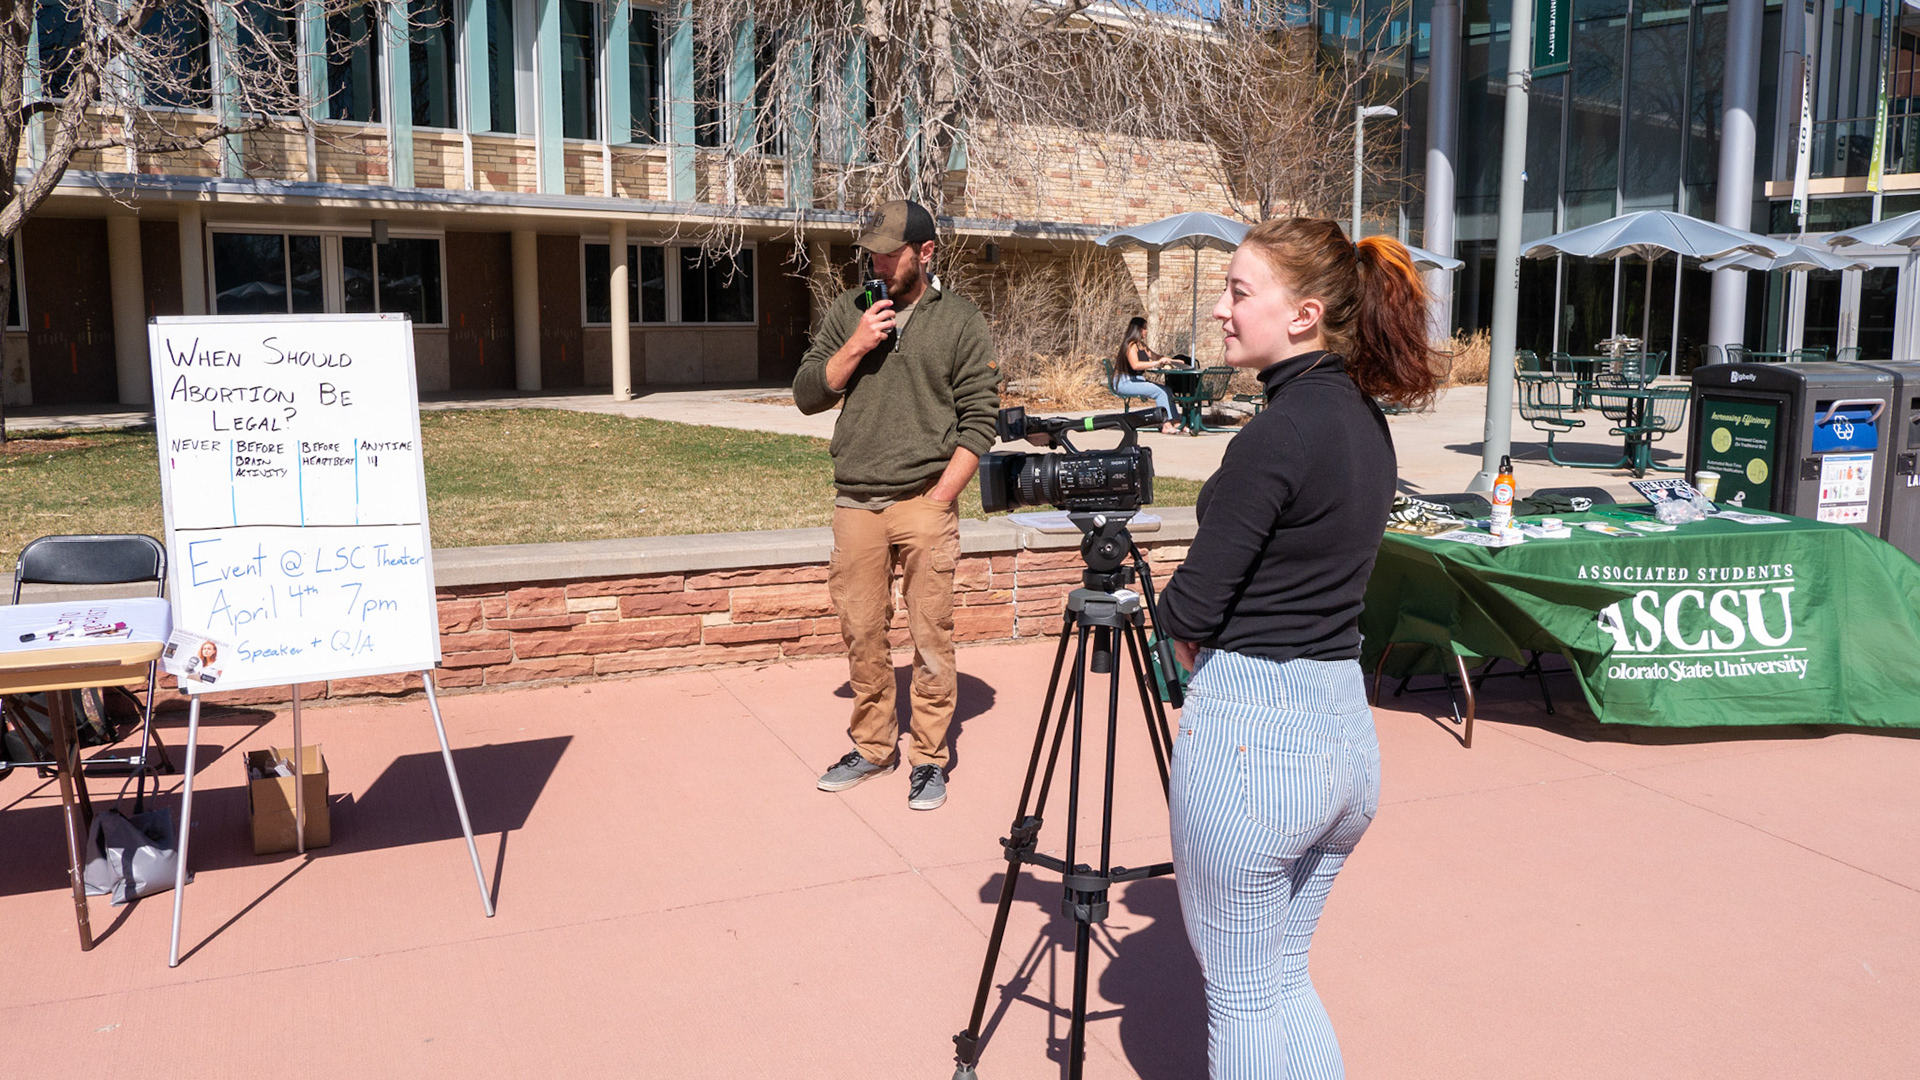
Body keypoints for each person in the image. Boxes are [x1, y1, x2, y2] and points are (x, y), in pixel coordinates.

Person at [1155, 218, 1442, 1079]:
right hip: (1342, 736)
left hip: (1258, 738)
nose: (1220, 311)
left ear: (1306, 314)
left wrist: (1149, 602)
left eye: (1239, 293)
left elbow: (1193, 607)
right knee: (1281, 980)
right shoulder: (1363, 422)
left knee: (1243, 1000)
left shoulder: (1276, 434)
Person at [792, 199, 1000, 811]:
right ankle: (874, 748)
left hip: (922, 502)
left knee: (930, 636)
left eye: (890, 252)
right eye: (873, 252)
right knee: (861, 631)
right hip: (856, 502)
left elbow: (979, 420)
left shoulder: (960, 321)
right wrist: (856, 345)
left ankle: (929, 758)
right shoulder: (851, 312)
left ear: (925, 253)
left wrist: (941, 498)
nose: (878, 263)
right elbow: (807, 394)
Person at [1113, 317, 1185, 434]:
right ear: (1138, 329)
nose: (1146, 331)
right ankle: (1166, 425)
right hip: (1124, 382)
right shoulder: (1130, 345)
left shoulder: (1141, 345)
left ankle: (1176, 422)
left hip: (1135, 380)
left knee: (1167, 390)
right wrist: (1156, 363)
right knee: (1159, 392)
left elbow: (1155, 356)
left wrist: (1172, 361)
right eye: (1144, 329)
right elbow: (1135, 365)